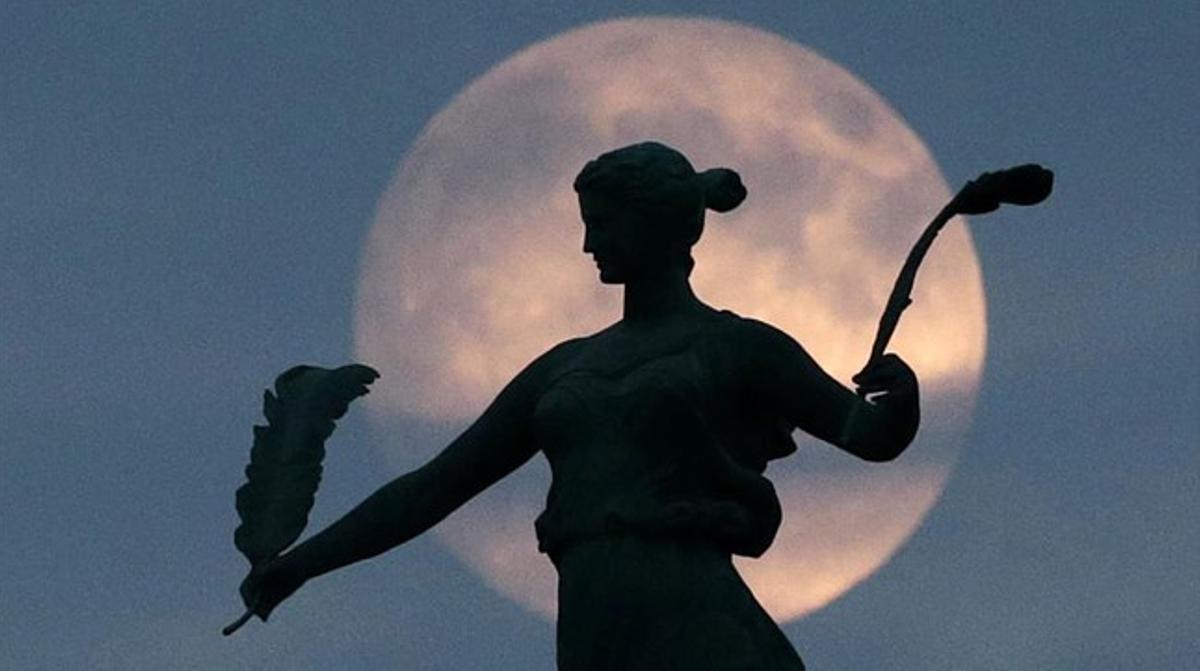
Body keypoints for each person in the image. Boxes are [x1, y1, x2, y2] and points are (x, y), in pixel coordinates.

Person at [241, 141, 920, 670]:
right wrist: (303, 562)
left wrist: (900, 397)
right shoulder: (563, 369)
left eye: (603, 225)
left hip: (695, 615)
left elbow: (864, 430)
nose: (588, 245)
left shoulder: (739, 347)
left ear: (657, 225)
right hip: (594, 626)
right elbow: (433, 487)